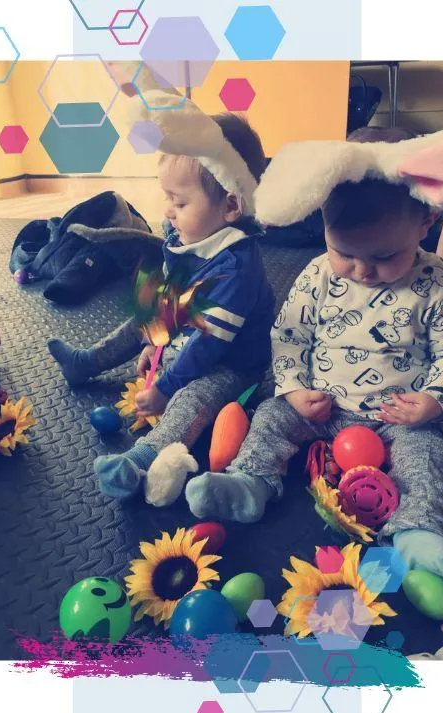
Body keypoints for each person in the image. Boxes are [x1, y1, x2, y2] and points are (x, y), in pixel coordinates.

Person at [185, 128, 443, 587]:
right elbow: (289, 336)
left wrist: (435, 400)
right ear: (322, 224)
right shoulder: (318, 274)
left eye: (383, 256)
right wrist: (295, 391)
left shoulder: (436, 281)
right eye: (344, 252)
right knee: (270, 419)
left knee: (428, 457)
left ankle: (419, 531)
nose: (362, 270)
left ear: (426, 223)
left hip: (398, 417)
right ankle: (249, 482)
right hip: (321, 405)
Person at [48, 93, 276, 508]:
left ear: (230, 206)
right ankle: (86, 362)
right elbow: (167, 301)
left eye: (181, 202)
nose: (168, 211)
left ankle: (139, 461)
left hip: (231, 362)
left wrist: (166, 385)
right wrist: (157, 342)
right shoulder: (186, 235)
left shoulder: (237, 267)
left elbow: (208, 345)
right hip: (188, 330)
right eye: (167, 197)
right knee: (138, 320)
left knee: (193, 398)